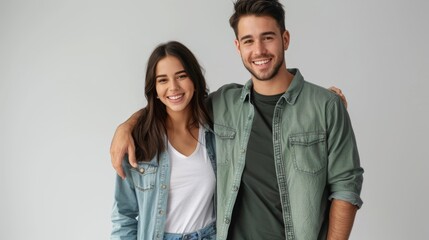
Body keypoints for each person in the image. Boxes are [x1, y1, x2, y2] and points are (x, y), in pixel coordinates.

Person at [110, 0, 363, 239]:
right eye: (248, 40)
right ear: (238, 46)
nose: (259, 50)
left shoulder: (325, 106)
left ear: (285, 39)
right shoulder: (224, 104)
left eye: (268, 37)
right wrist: (127, 126)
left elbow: (346, 187)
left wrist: (328, 103)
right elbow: (176, 103)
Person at [110, 41, 217, 240]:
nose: (173, 87)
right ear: (155, 90)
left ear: (194, 79)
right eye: (162, 80)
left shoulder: (216, 131)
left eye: (181, 76)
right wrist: (125, 127)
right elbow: (124, 215)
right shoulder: (139, 141)